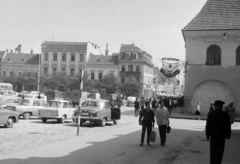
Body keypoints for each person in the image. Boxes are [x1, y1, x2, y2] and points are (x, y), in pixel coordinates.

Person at [206, 100, 231, 164]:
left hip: (213, 135)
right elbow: (228, 125)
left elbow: (208, 125)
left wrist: (207, 135)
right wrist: (228, 135)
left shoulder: (210, 113)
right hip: (222, 135)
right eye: (222, 105)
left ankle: (212, 162)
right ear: (220, 106)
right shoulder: (225, 114)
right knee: (220, 151)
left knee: (213, 150)